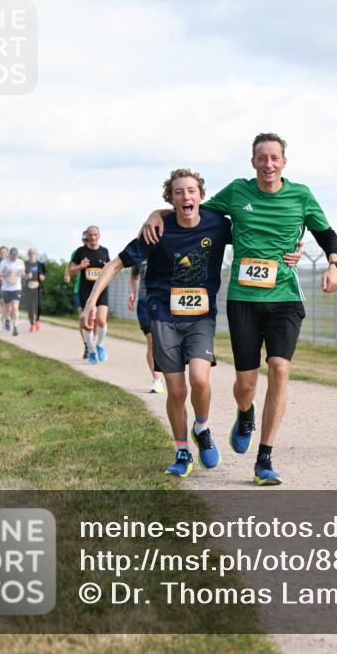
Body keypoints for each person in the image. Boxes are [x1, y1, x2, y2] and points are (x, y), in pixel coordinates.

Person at [142, 133, 337, 486]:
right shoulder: (237, 192)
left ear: (284, 162)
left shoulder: (301, 195)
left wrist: (333, 264)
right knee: (245, 383)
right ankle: (245, 413)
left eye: (274, 158)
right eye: (261, 158)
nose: (268, 164)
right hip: (244, 300)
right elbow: (193, 210)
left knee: (279, 368)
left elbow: (327, 234)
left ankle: (265, 458)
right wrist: (155, 213)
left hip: (284, 297)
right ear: (253, 162)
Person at [84, 169, 234, 478]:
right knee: (176, 391)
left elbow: (256, 234)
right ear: (171, 198)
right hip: (164, 316)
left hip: (201, 317)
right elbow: (115, 264)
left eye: (191, 191)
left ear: (201, 196)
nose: (186, 197)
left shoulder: (218, 224)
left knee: (201, 379)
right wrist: (91, 300)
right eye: (179, 192)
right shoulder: (157, 229)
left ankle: (202, 428)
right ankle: (182, 449)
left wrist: (293, 248)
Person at [68, 228, 110, 364]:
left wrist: (106, 268)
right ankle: (91, 351)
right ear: (86, 236)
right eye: (90, 234)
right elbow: (70, 271)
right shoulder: (80, 252)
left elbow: (110, 269)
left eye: (95, 234)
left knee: (101, 320)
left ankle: (99, 345)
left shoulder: (104, 251)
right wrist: (81, 266)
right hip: (85, 292)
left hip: (101, 291)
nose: (92, 237)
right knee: (88, 324)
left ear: (99, 235)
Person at [130, 261, 166, 393]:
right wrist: (133, 293)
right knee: (151, 339)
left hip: (163, 301)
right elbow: (133, 277)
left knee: (163, 340)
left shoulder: (167, 247)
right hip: (145, 302)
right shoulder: (139, 255)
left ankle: (171, 375)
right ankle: (157, 379)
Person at [0, 247, 25, 336]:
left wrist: (23, 274)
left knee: (15, 307)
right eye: (13, 255)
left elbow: (23, 274)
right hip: (6, 288)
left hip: (16, 288)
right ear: (10, 255)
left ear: (18, 255)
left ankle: (15, 328)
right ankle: (7, 320)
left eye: (16, 255)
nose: (14, 256)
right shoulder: (4, 262)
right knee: (7, 308)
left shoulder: (21, 262)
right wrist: (6, 273)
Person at [22, 248, 46, 332]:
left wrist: (43, 276)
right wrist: (26, 276)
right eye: (30, 253)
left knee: (38, 305)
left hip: (38, 287)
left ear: (36, 254)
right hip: (28, 288)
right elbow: (22, 274)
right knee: (29, 307)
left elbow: (45, 272)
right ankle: (32, 323)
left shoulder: (40, 263)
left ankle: (37, 320)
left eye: (33, 253)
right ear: (28, 254)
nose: (32, 254)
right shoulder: (25, 264)